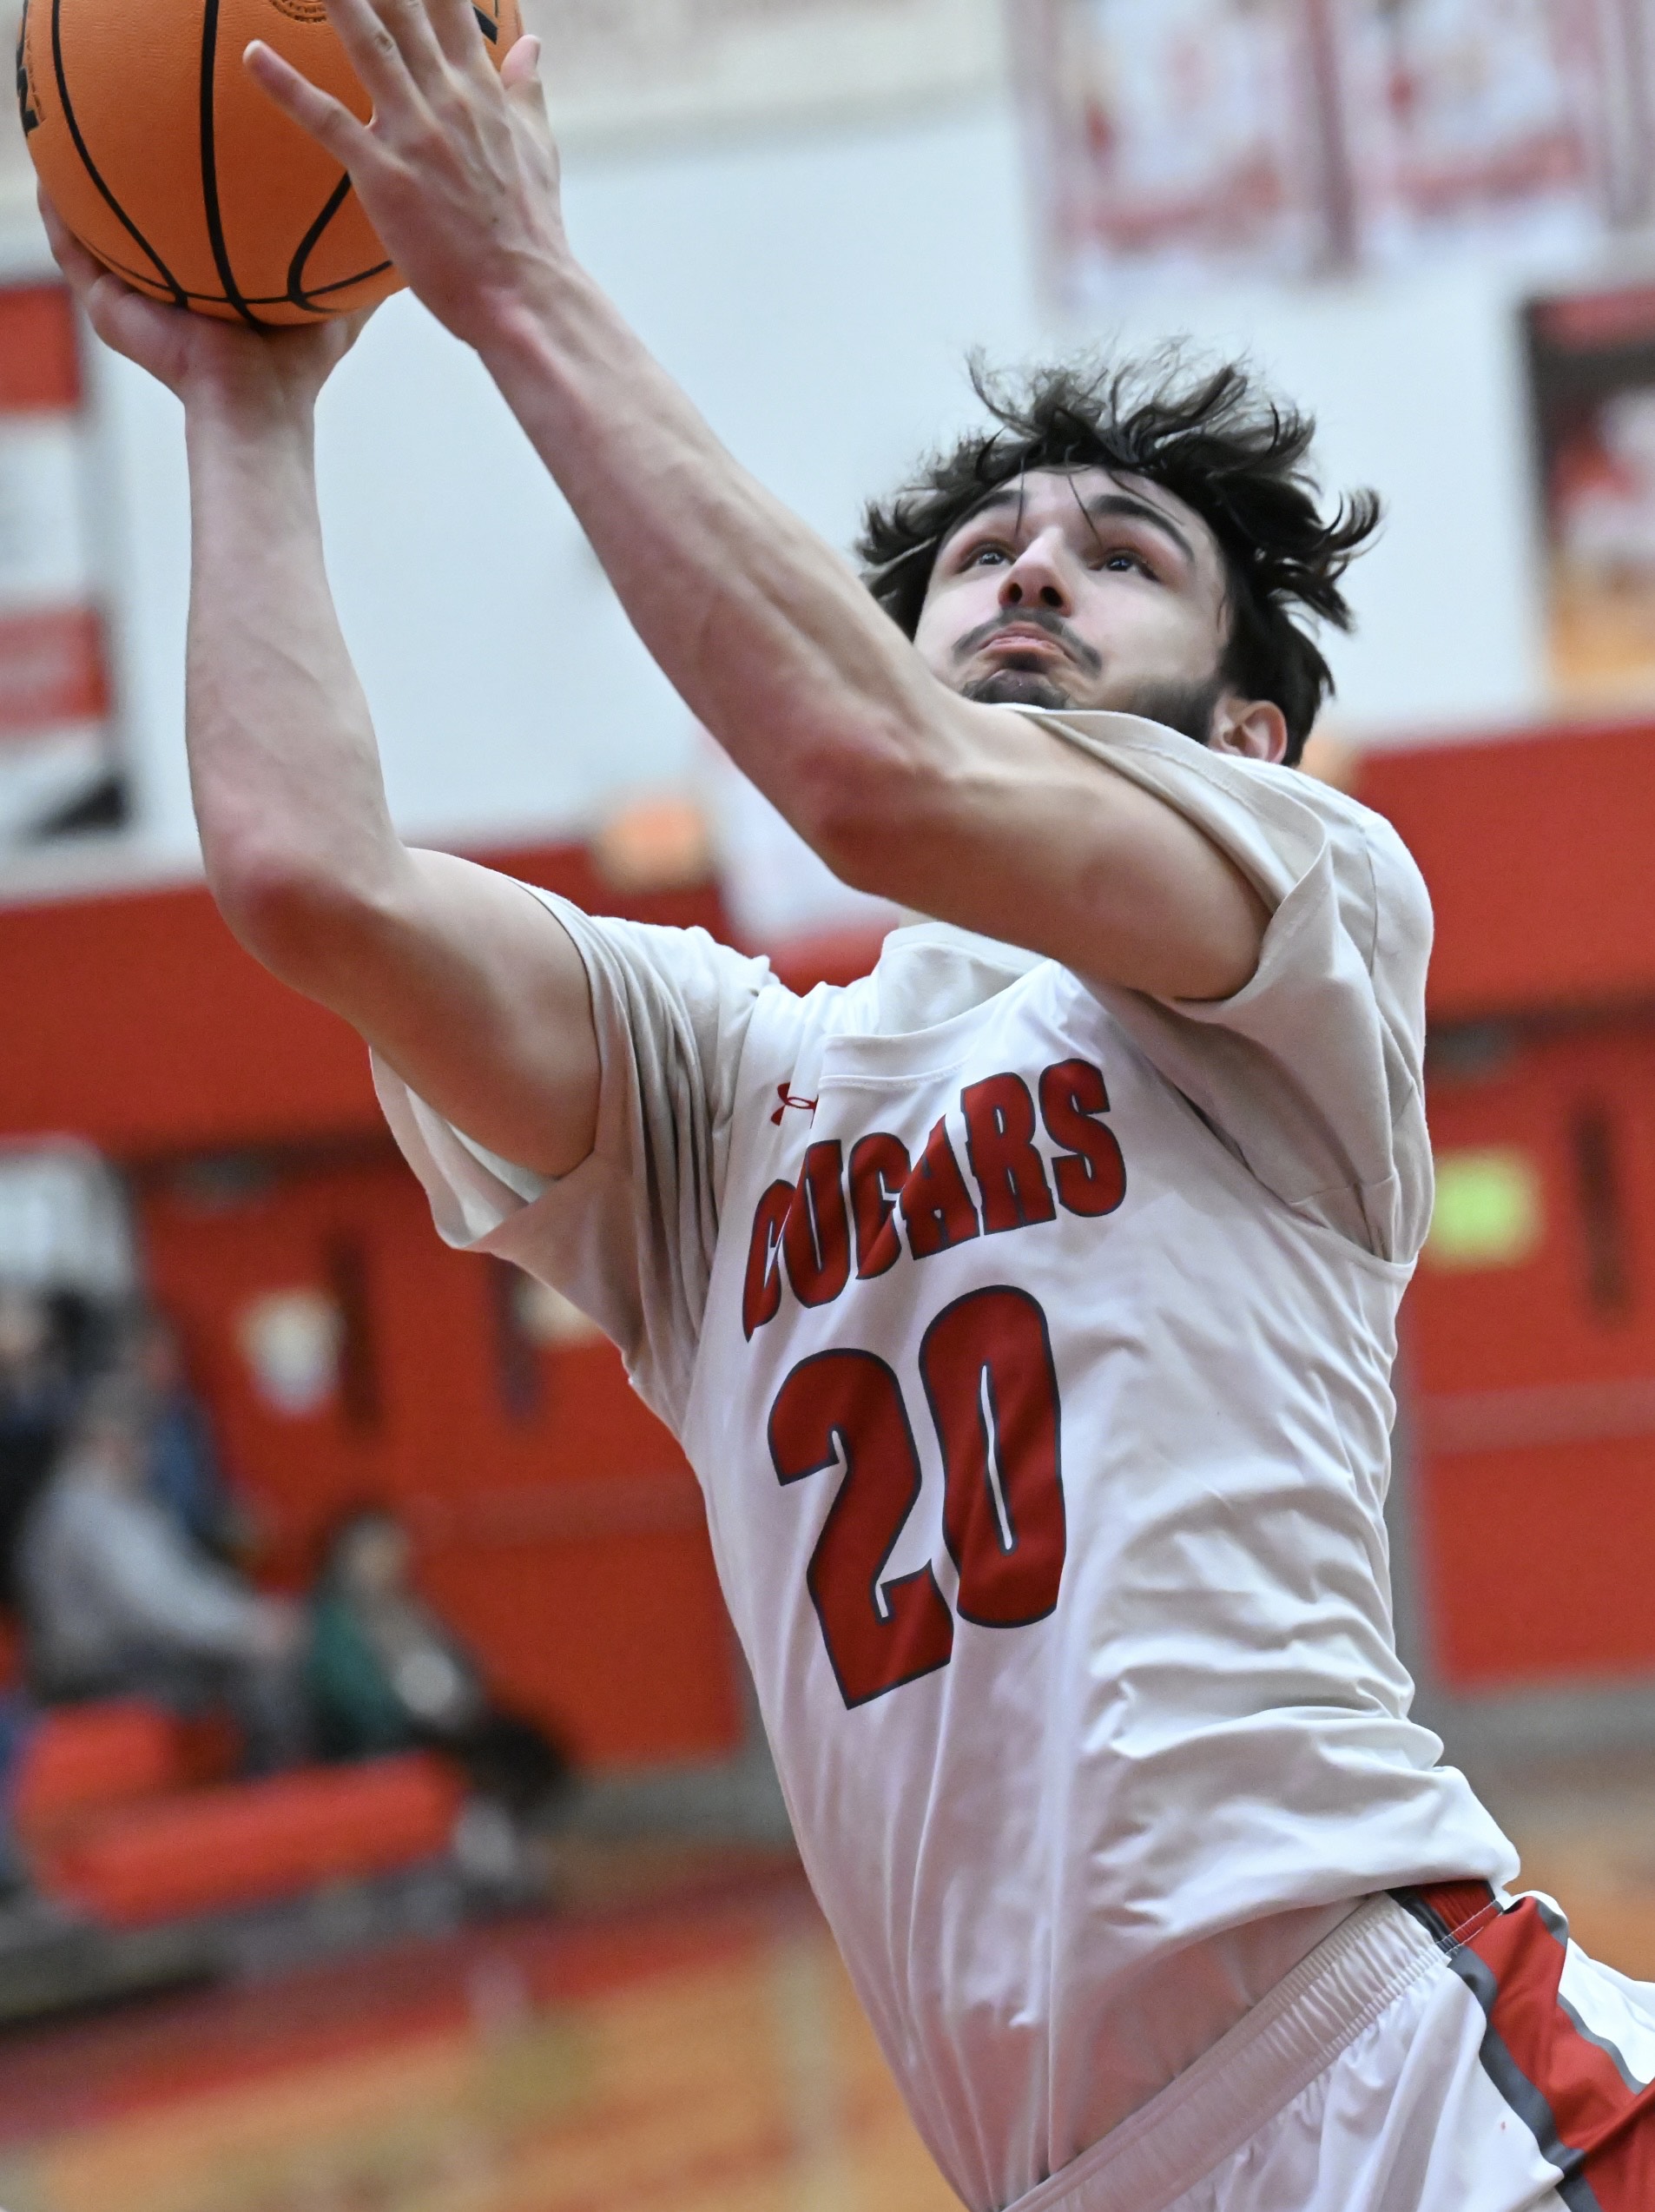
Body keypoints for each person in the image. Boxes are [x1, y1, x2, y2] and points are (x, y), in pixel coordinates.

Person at [37, 3, 1655, 2201]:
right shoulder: (725, 1083)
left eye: (1118, 556)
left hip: (1414, 2088)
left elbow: (866, 772)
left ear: (1247, 732)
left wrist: (511, 274)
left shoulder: (1298, 905)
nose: (1027, 568)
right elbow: (309, 876)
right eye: (985, 547)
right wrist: (247, 401)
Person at [17, 1377, 308, 1774]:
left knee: (267, 1644)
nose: (149, 1454)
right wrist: (249, 1629)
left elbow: (183, 1583)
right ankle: (264, 1793)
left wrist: (250, 1615)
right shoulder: (86, 1511)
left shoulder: (117, 1501)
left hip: (131, 1652)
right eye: (142, 1440)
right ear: (111, 1440)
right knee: (263, 1666)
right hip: (97, 1670)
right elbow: (156, 1607)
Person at [308, 1505, 568, 1823]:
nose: (390, 1560)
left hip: (450, 1710)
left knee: (524, 1741)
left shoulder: (407, 1603)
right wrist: (405, 1711)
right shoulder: (337, 1616)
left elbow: (456, 1652)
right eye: (378, 1550)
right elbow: (346, 1686)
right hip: (396, 1726)